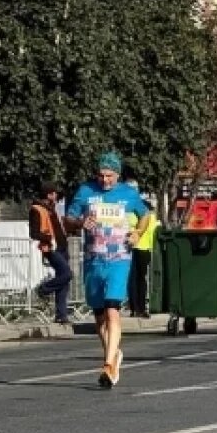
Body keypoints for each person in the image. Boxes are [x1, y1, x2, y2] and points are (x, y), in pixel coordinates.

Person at [65, 152, 150, 388]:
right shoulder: (85, 191)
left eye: (109, 176)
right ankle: (114, 354)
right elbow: (68, 219)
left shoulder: (128, 194)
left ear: (118, 175)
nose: (105, 181)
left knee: (113, 309)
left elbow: (145, 216)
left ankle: (108, 364)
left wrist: (138, 233)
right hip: (93, 259)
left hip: (119, 258)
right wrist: (80, 222)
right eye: (101, 176)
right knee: (99, 315)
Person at [30, 182, 72, 325]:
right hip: (51, 248)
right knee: (67, 274)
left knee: (64, 281)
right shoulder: (37, 209)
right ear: (48, 194)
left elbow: (59, 226)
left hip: (62, 246)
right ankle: (43, 289)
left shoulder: (53, 208)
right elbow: (34, 233)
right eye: (54, 193)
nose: (56, 195)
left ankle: (61, 315)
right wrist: (49, 238)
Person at [127, 198, 159, 318]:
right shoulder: (151, 217)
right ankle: (139, 308)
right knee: (139, 279)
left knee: (135, 279)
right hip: (141, 249)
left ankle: (136, 308)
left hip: (136, 248)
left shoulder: (134, 215)